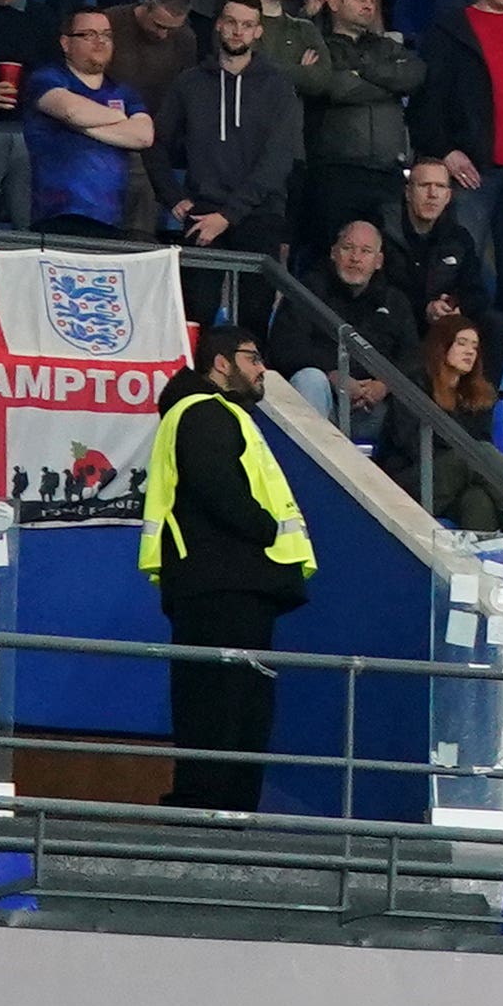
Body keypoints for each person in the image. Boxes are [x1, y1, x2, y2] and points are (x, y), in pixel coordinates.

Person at [137, 320, 313, 814]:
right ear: (221, 362)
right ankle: (211, 813)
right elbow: (219, 486)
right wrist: (264, 528)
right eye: (253, 358)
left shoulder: (207, 413)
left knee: (231, 706)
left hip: (224, 583)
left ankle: (223, 812)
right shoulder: (204, 412)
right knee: (223, 706)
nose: (262, 370)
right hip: (223, 584)